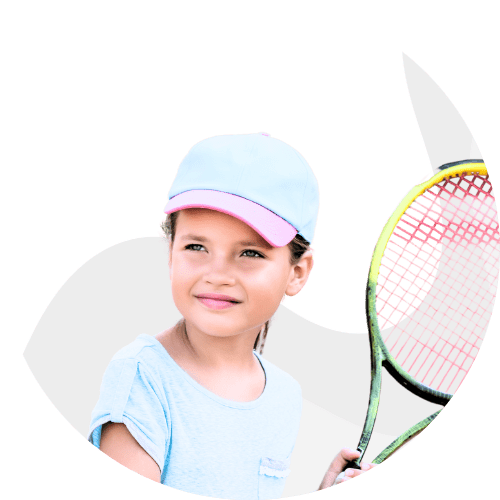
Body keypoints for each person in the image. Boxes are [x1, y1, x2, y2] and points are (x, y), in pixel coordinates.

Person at [87, 132, 375, 498]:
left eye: (250, 253)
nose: (217, 274)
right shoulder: (142, 379)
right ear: (171, 250)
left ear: (298, 271)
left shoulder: (284, 396)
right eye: (196, 246)